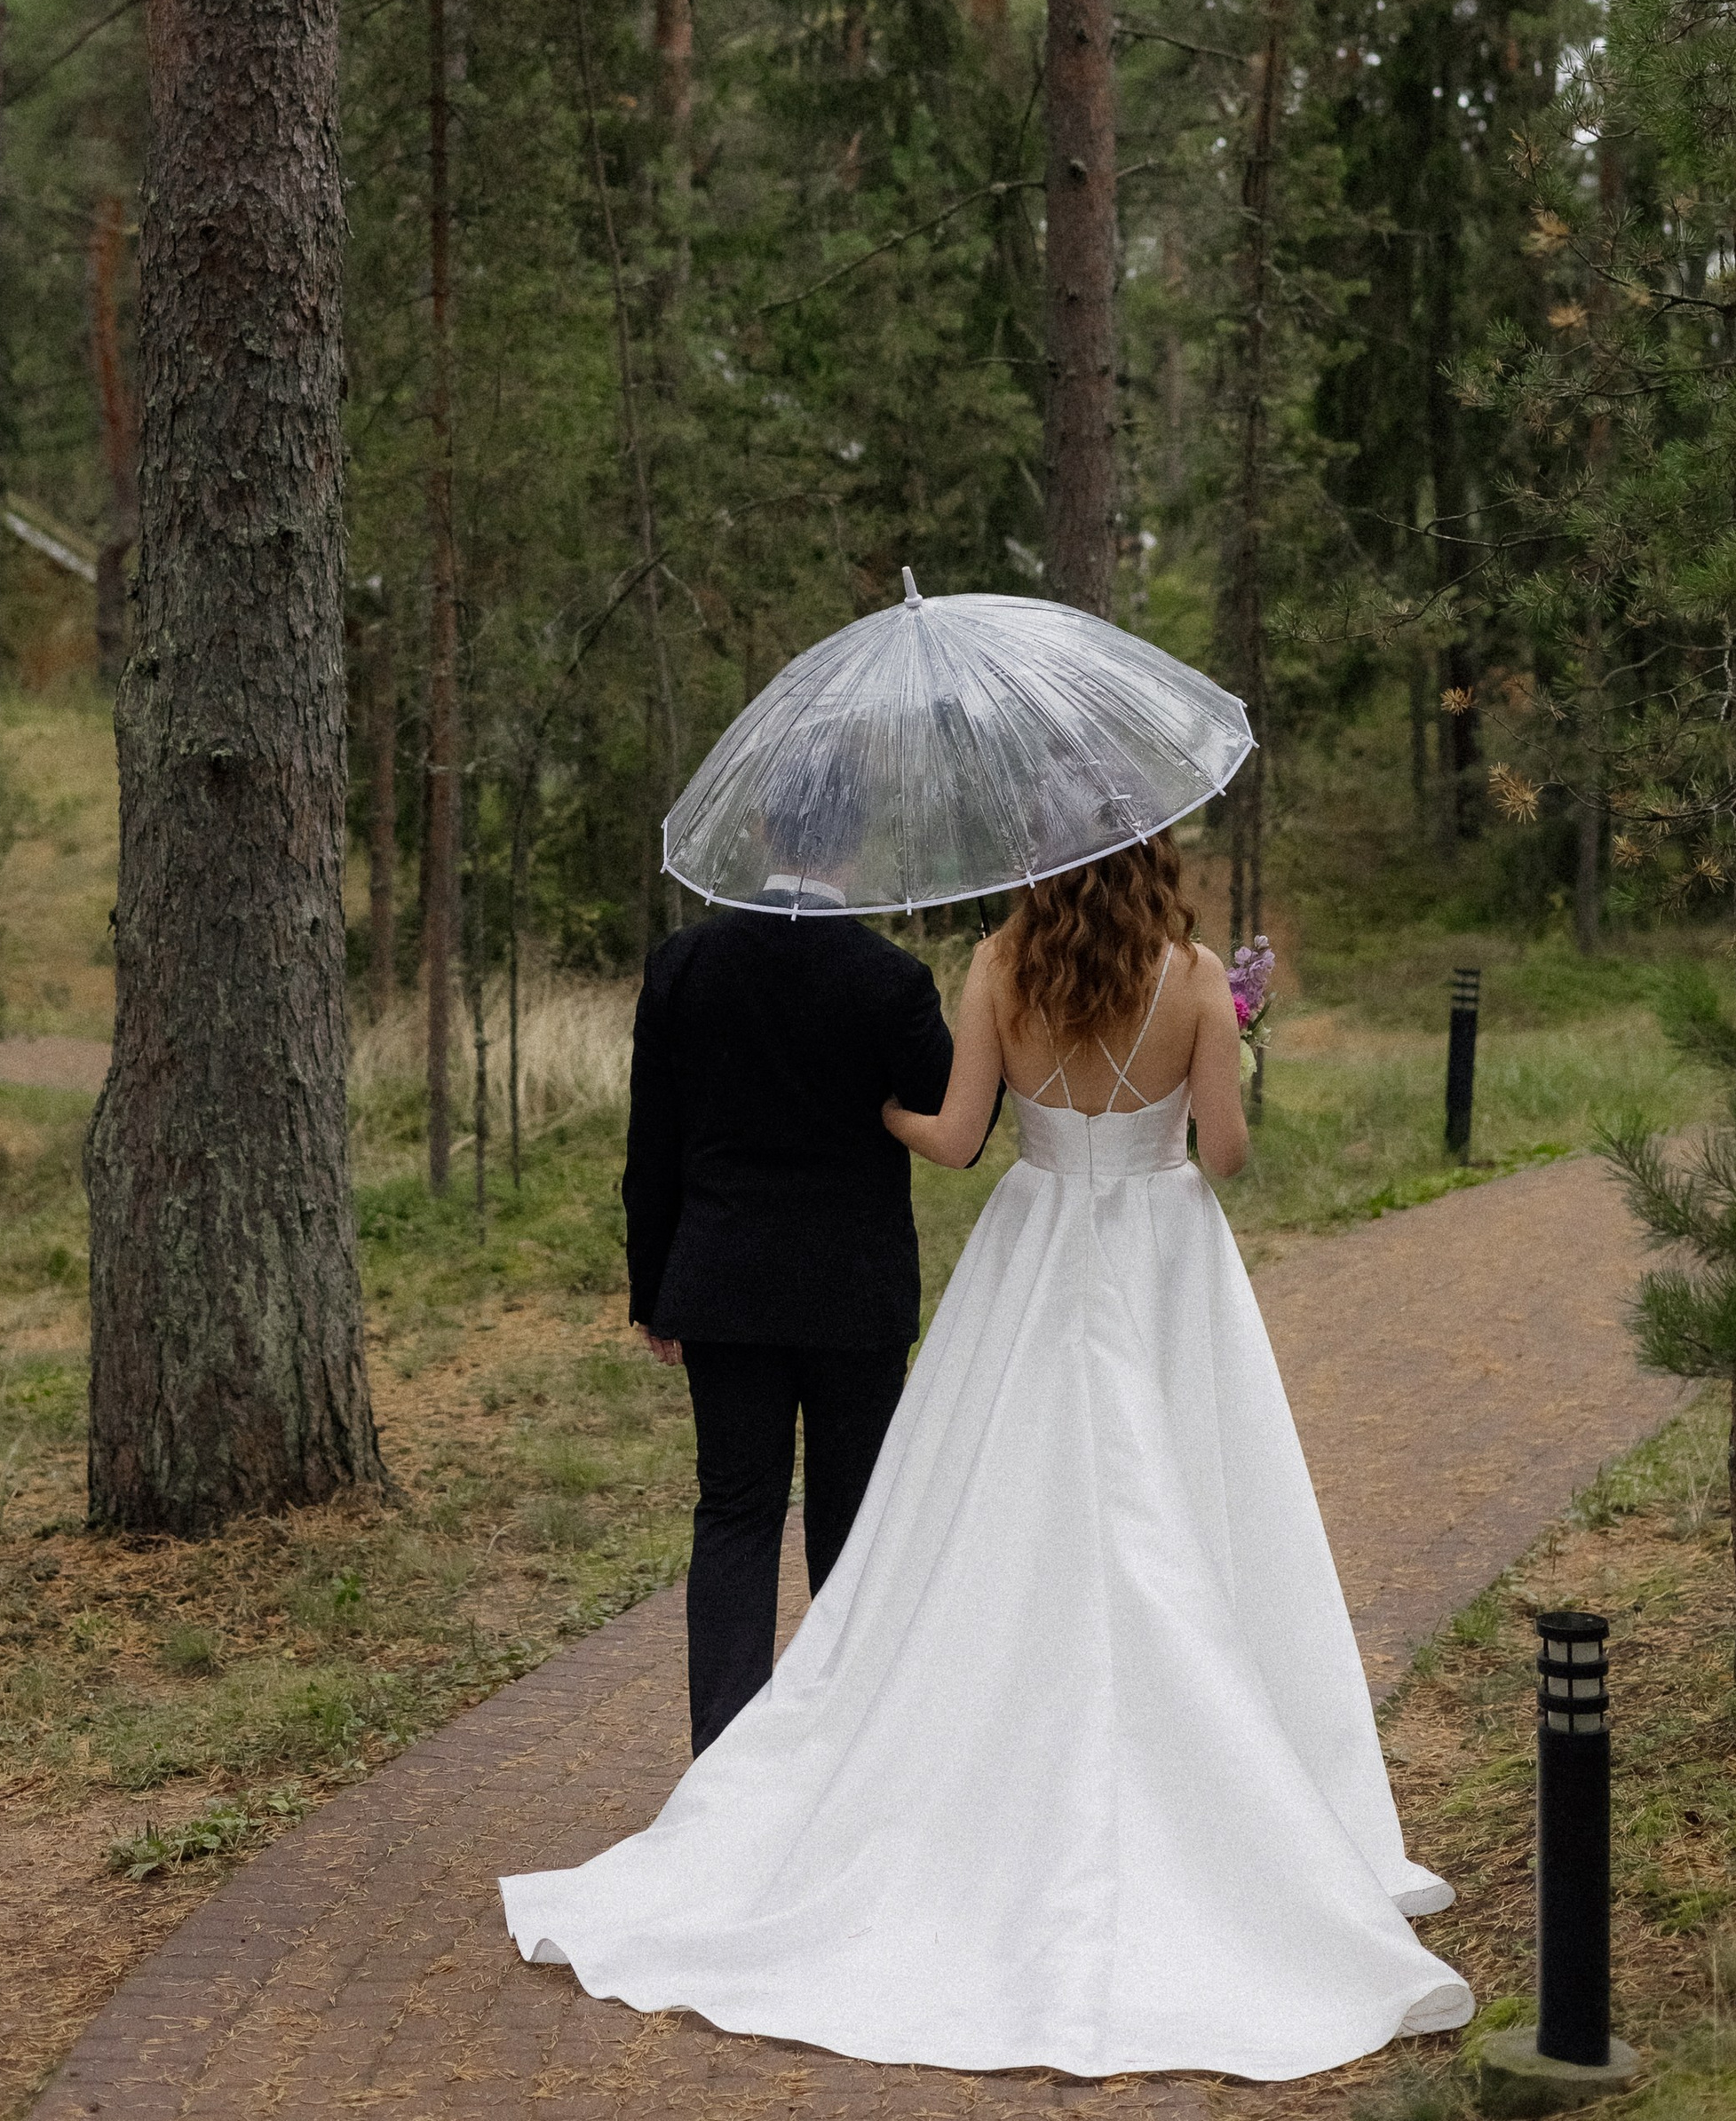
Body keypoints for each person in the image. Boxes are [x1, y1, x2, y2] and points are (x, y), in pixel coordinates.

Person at [502, 826, 1474, 2083]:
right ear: (1151, 860)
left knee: (976, 1518)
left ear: (1042, 869)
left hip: (1033, 1251)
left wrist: (886, 1109)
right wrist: (1238, 1034)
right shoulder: (1189, 981)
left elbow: (958, 1137)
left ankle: (878, 1760)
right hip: (1161, 1262)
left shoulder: (997, 967)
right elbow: (1224, 1155)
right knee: (1184, 1511)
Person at [617, 755, 964, 1755]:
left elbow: (653, 1147)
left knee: (734, 1512)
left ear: (766, 832)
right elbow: (950, 1116)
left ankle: (723, 1766)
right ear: (853, 845)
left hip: (721, 1285)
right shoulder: (892, 980)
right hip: (853, 1295)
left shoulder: (686, 964)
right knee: (852, 1526)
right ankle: (844, 1753)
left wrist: (657, 1293)